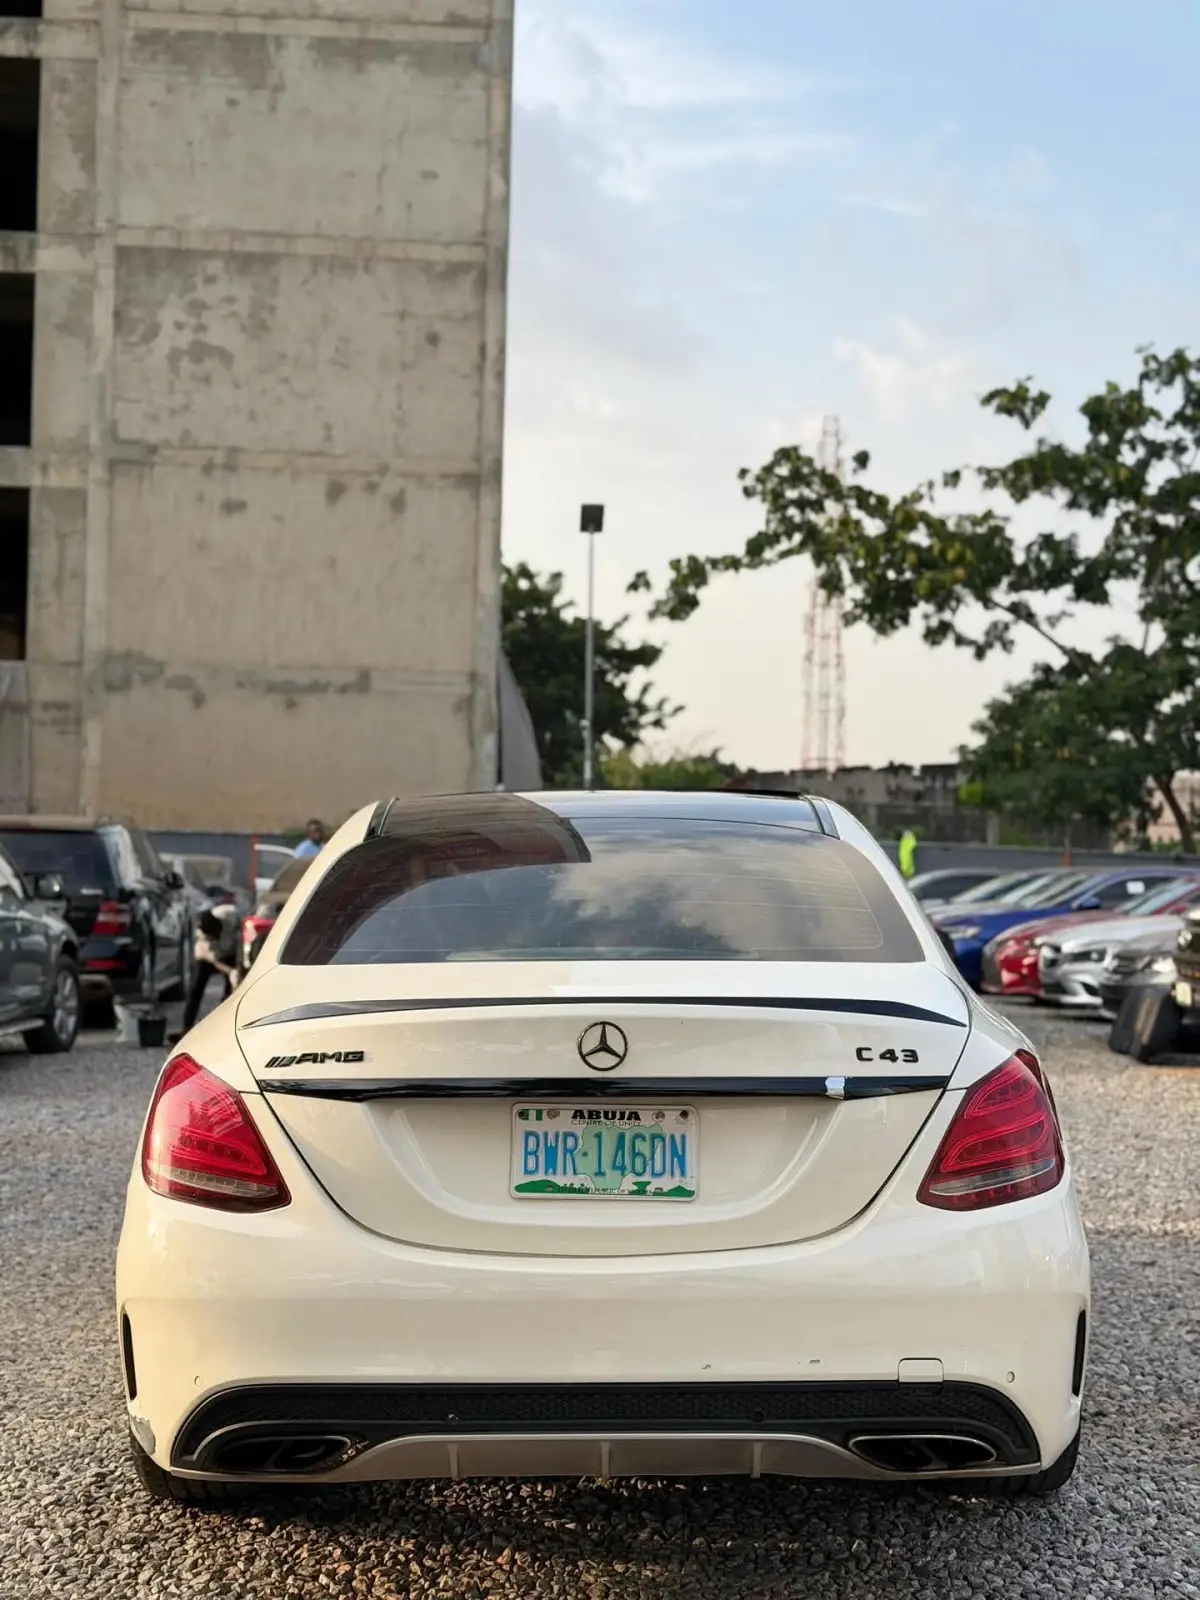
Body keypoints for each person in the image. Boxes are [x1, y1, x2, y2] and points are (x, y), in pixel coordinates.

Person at [176, 905, 240, 1038]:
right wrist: (231, 972)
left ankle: (226, 1026)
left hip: (231, 951)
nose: (213, 936)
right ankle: (186, 1028)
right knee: (196, 989)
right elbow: (215, 961)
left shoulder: (229, 914)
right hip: (210, 958)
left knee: (231, 992)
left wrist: (237, 969)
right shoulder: (203, 942)